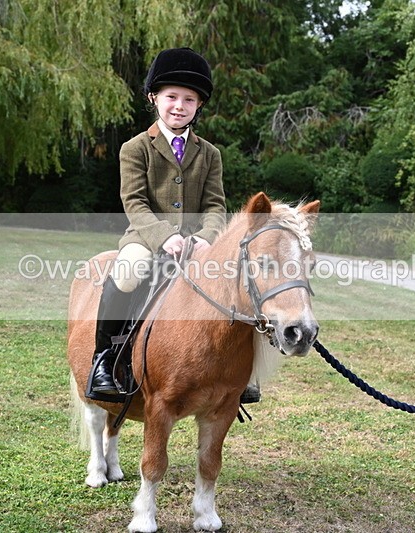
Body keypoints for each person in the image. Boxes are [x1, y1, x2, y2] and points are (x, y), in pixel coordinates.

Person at [87, 47, 260, 404]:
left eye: (189, 99)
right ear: (155, 98)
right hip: (146, 238)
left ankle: (242, 373)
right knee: (129, 271)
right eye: (171, 97)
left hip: (198, 243)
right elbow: (134, 202)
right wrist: (164, 237)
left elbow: (215, 204)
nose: (179, 105)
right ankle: (103, 359)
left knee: (239, 280)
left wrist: (205, 238)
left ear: (199, 106)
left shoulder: (210, 154)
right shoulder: (135, 148)